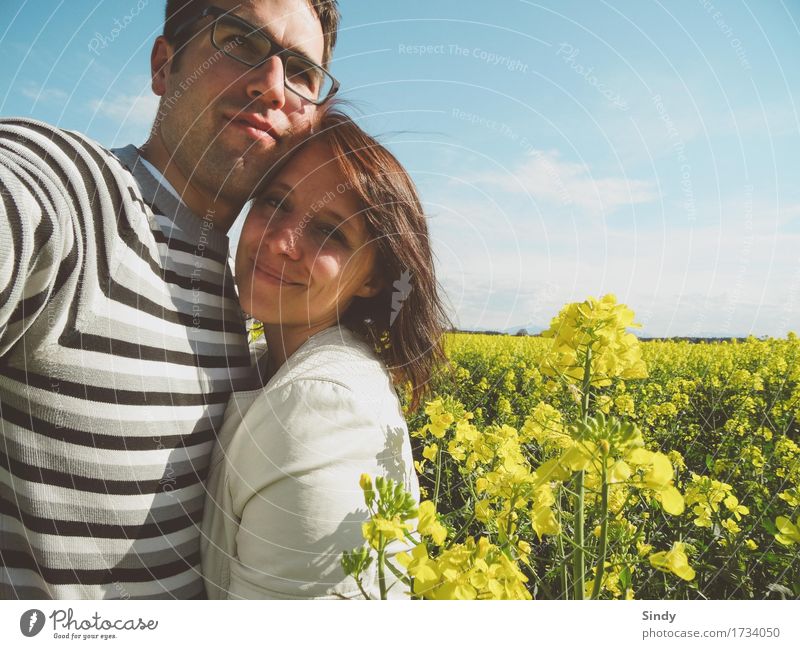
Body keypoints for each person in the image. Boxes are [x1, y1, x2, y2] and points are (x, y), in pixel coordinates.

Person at [0, 0, 340, 599]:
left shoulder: (239, 293)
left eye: (302, 73)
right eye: (238, 40)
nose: (271, 85)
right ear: (164, 66)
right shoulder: (82, 195)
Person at [201, 110, 451, 599]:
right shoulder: (268, 366)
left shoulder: (318, 406)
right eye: (275, 202)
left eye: (329, 233)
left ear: (374, 278)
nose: (280, 241)